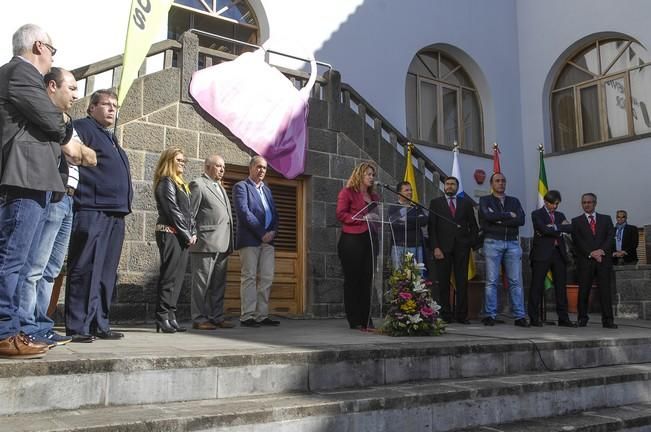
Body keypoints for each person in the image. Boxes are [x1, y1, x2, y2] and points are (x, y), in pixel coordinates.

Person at [0, 24, 74, 359]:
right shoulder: (20, 73)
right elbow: (52, 121)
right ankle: (4, 332)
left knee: (22, 259)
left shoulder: (21, 75)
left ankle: (13, 328)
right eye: (53, 51)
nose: (52, 58)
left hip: (34, 177)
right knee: (13, 259)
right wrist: (64, 124)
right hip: (23, 177)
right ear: (39, 45)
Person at [16, 67, 97, 346]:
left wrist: (81, 152)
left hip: (69, 199)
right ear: (52, 86)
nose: (77, 94)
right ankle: (28, 326)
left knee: (51, 269)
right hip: (52, 194)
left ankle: (41, 323)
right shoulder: (48, 118)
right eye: (72, 88)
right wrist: (79, 151)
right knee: (34, 267)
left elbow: (91, 157)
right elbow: (76, 153)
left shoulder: (67, 121)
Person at [65, 89, 133, 341]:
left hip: (115, 211)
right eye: (106, 104)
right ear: (91, 108)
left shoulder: (111, 137)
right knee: (85, 267)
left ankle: (99, 322)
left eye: (115, 105)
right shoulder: (82, 127)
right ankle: (78, 325)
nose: (112, 109)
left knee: (106, 271)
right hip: (92, 208)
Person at [232, 155, 280, 328]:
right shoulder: (241, 187)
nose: (261, 170)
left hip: (269, 242)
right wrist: (261, 233)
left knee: (267, 278)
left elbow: (274, 213)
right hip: (251, 240)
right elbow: (244, 213)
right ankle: (248, 316)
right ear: (250, 168)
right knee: (249, 277)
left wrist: (273, 231)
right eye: (258, 167)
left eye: (264, 168)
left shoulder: (267, 190)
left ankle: (262, 315)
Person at [189, 155, 235, 330]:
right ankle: (199, 319)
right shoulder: (198, 185)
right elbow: (190, 214)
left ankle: (216, 316)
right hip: (205, 243)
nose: (222, 169)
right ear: (207, 167)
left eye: (223, 166)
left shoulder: (221, 187)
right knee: (201, 284)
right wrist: (192, 234)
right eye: (218, 166)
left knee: (218, 284)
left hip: (223, 243)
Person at [153, 147, 196, 333]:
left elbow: (189, 213)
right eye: (179, 160)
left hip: (181, 234)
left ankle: (171, 315)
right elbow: (173, 211)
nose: (183, 163)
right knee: (169, 276)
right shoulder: (166, 182)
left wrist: (192, 231)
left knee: (178, 278)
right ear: (169, 161)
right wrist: (186, 234)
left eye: (184, 160)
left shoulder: (181, 184)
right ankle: (162, 316)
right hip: (169, 232)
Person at [478, 173, 529, 327]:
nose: (501, 183)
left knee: (516, 281)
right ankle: (490, 315)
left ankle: (520, 316)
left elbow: (521, 220)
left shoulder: (514, 201)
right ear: (491, 184)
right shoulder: (485, 200)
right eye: (497, 181)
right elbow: (487, 217)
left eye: (503, 181)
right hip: (493, 242)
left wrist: (499, 218)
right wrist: (508, 215)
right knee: (492, 281)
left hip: (512, 243)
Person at [336, 161, 380, 331]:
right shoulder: (347, 192)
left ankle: (367, 318)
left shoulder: (375, 197)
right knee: (353, 280)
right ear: (359, 175)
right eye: (368, 174)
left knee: (367, 279)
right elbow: (341, 214)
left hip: (370, 239)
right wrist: (360, 219)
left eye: (373, 175)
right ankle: (354, 319)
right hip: (352, 240)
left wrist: (376, 219)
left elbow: (377, 216)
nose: (371, 177)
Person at [428, 176, 479, 324]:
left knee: (462, 282)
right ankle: (445, 314)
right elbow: (432, 228)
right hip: (442, 249)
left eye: (453, 184)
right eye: (448, 184)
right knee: (443, 283)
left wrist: (470, 242)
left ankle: (462, 315)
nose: (450, 186)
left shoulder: (466, 203)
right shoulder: (436, 203)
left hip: (462, 249)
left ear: (457, 187)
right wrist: (436, 247)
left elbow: (473, 226)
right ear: (444, 186)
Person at [528, 190, 576, 327]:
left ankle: (563, 318)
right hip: (541, 254)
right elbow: (543, 230)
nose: (555, 207)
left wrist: (555, 227)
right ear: (545, 202)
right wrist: (559, 230)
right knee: (536, 286)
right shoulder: (537, 214)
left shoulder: (560, 215)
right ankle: (534, 317)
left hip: (558, 254)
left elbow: (570, 228)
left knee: (561, 287)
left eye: (557, 204)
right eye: (552, 204)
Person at [571, 193, 617, 329]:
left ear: (595, 203)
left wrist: (601, 251)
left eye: (589, 202)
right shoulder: (576, 221)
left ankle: (608, 320)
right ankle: (582, 318)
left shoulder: (606, 219)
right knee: (584, 291)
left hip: (603, 260)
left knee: (605, 291)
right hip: (586, 261)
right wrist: (591, 253)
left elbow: (610, 237)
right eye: (584, 202)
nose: (586, 205)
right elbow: (577, 241)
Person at [388, 181, 427, 269]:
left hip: (416, 247)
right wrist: (415, 221)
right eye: (406, 190)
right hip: (399, 247)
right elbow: (395, 225)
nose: (410, 192)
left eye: (411, 190)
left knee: (417, 278)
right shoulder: (393, 207)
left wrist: (406, 219)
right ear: (399, 193)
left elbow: (424, 221)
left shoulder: (416, 207)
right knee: (399, 278)